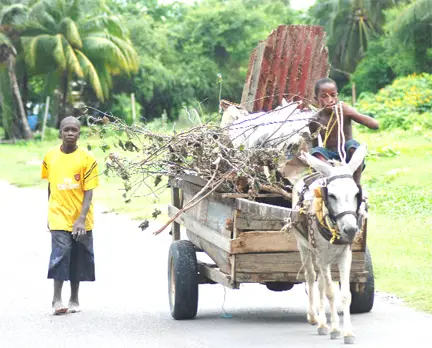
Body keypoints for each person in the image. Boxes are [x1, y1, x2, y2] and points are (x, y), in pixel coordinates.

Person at [41, 116, 99, 315]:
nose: (70, 133)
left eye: (74, 130)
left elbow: (89, 191)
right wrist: (49, 213)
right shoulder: (50, 157)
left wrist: (81, 219)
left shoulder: (87, 159)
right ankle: (57, 299)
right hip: (58, 215)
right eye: (66, 130)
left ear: (79, 134)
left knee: (78, 257)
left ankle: (74, 298)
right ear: (60, 132)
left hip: (81, 218)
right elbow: (51, 185)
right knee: (60, 254)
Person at [309, 78, 379, 184]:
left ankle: (356, 184)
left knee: (352, 145)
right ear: (316, 99)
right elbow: (314, 146)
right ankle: (331, 180)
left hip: (347, 157)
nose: (330, 100)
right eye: (324, 96)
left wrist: (352, 113)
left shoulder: (345, 112)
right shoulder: (314, 120)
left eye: (333, 95)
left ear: (337, 95)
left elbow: (375, 125)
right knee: (316, 151)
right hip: (329, 159)